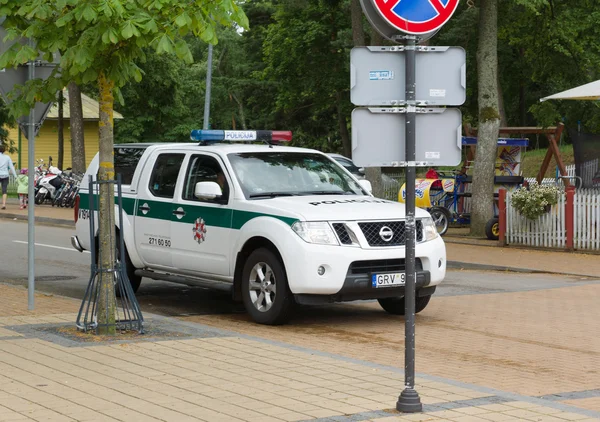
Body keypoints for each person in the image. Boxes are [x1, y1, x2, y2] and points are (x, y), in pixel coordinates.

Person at [0, 145, 17, 209]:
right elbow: (11, 167)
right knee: (4, 190)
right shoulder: (7, 157)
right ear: (4, 150)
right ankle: (3, 204)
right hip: (5, 175)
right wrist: (15, 176)